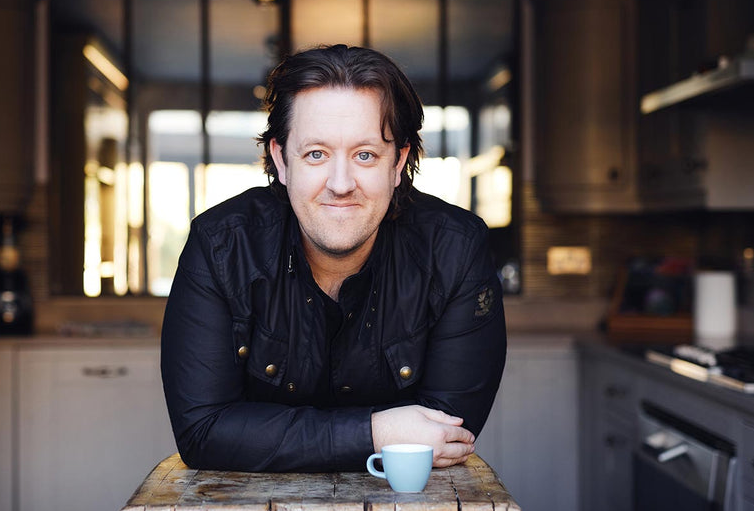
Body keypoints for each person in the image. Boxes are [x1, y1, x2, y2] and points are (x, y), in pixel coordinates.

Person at [161, 44, 506, 472]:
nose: (340, 183)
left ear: (397, 163)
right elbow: (203, 431)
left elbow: (448, 433)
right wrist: (376, 433)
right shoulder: (221, 246)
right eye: (316, 154)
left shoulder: (455, 250)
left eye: (365, 155)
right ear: (281, 160)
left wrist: (264, 436)